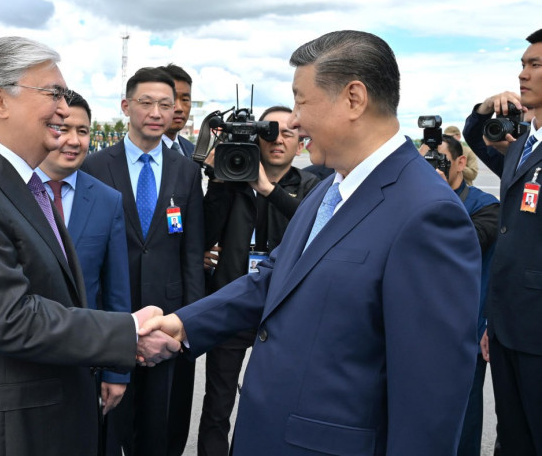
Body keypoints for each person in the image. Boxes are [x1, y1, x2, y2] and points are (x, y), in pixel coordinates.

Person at [140, 30, 481, 456]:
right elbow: (275, 280)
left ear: (353, 99)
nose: (295, 122)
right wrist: (183, 323)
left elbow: (430, 400)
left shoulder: (428, 214)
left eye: (301, 102)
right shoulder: (328, 189)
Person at [0, 36, 178, 456]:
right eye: (53, 94)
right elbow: (7, 317)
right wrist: (126, 332)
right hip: (7, 434)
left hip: (44, 420)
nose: (64, 109)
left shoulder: (20, 181)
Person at [83, 67, 204, 456]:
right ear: (126, 106)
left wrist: (190, 320)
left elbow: (191, 252)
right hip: (112, 315)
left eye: (165, 105)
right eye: (146, 102)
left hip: (167, 318)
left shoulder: (187, 171)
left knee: (158, 425)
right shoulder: (95, 166)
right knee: (109, 419)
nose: (156, 112)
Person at [198, 105, 319, 456]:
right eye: (270, 132)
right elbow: (205, 234)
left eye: (287, 133)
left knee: (272, 403)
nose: (278, 140)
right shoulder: (232, 178)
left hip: (283, 310)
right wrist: (218, 182)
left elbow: (313, 227)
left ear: (300, 143)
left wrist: (267, 189)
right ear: (256, 138)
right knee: (217, 405)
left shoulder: (311, 186)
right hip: (233, 303)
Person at [462, 28, 542, 456]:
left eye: (535, 65)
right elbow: (477, 136)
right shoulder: (522, 148)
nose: (522, 74)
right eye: (522, 64)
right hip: (508, 326)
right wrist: (483, 109)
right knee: (512, 438)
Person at [35, 91, 132, 420]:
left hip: (84, 359)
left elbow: (116, 293)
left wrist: (116, 371)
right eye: (63, 129)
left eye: (83, 131)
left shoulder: (107, 200)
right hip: (23, 356)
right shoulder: (13, 191)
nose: (74, 141)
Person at [432, 134, 499, 456]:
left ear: (460, 162)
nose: (431, 168)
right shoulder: (410, 201)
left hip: (464, 334)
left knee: (463, 423)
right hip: (417, 329)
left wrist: (435, 195)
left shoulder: (486, 206)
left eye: (439, 161)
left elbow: (464, 245)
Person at [159, 64, 195, 158]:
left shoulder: (192, 150)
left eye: (185, 100)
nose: (179, 108)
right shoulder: (142, 151)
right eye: (171, 99)